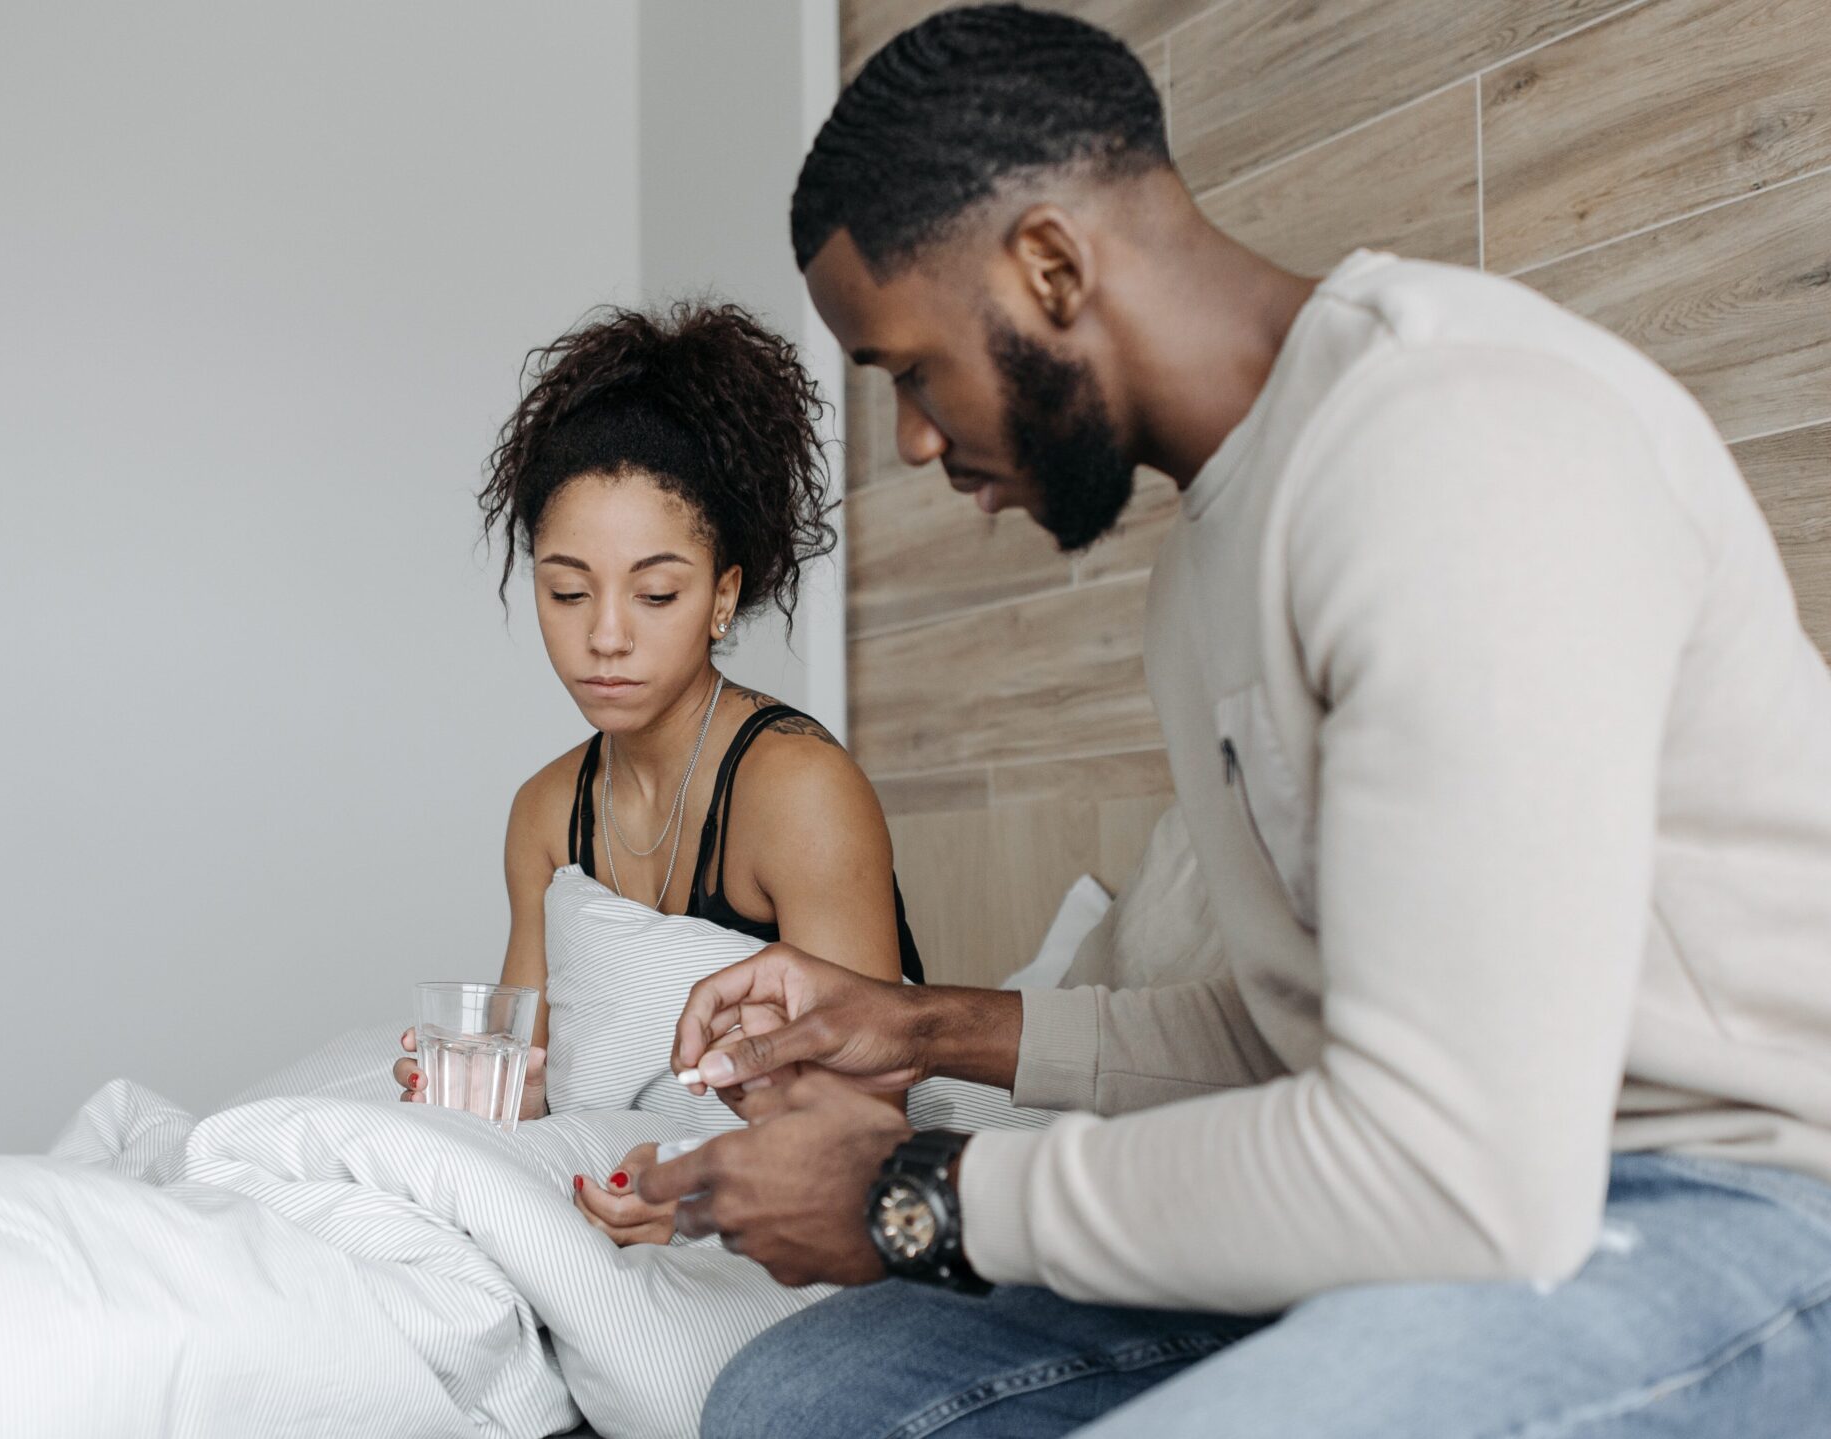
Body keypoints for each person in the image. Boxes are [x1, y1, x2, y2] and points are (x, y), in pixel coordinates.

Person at [638, 7, 1831, 1435]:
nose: (908, 438)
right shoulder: (1206, 560)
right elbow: (1304, 1027)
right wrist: (926, 1027)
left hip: (1726, 1201)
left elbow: (1459, 1172)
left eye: (907, 368)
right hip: (1440, 1197)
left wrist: (923, 1196)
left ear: (1051, 266)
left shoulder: (1457, 446)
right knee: (799, 1396)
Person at [393, 302, 927, 1246]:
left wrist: (696, 1199)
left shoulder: (798, 793)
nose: (604, 634)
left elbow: (864, 1130)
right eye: (566, 591)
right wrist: (470, 1093)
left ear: (724, 593)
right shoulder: (547, 814)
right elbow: (540, 1072)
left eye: (656, 592)